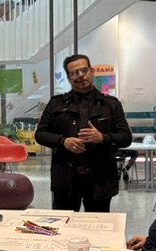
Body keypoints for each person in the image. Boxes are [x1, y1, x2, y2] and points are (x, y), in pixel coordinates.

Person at [34, 54, 132, 212]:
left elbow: (126, 137)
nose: (80, 75)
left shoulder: (111, 104)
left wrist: (103, 138)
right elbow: (40, 134)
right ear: (68, 77)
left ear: (92, 71)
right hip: (65, 178)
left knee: (98, 227)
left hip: (100, 178)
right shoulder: (56, 104)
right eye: (74, 73)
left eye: (84, 70)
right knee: (63, 227)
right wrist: (62, 141)